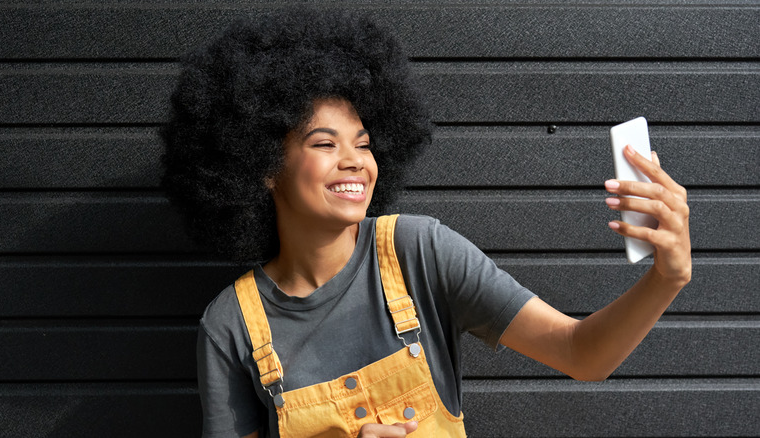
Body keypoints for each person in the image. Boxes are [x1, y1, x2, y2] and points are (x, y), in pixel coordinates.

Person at [161, 8, 691, 438]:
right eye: (325, 143)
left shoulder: (418, 252)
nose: (355, 161)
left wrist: (666, 278)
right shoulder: (231, 325)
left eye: (364, 144)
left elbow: (582, 353)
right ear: (260, 168)